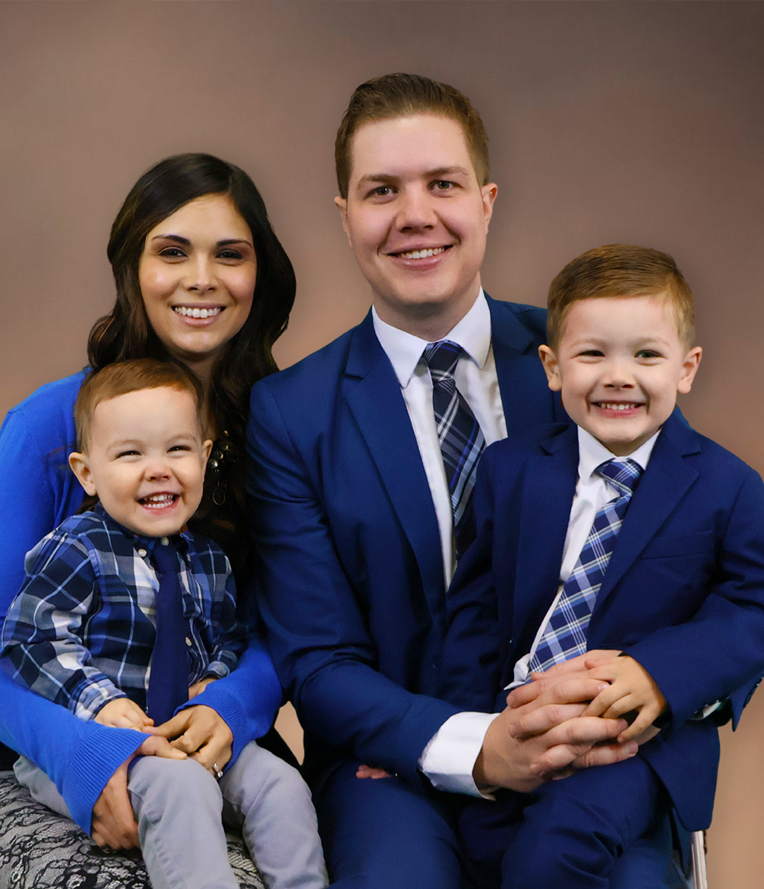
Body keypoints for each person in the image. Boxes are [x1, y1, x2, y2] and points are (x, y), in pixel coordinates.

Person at [245, 73, 642, 888]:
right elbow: (318, 660)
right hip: (390, 774)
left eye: (443, 184)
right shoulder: (291, 415)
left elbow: (708, 535)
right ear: (346, 215)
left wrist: (661, 688)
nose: (415, 215)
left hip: (593, 752)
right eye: (382, 190)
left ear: (487, 201)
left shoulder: (592, 360)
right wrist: (478, 747)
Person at [0, 153, 293, 854]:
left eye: (229, 254)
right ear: (130, 269)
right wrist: (86, 755)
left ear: (258, 272)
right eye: (172, 252)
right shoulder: (49, 425)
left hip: (211, 731)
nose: (201, 278)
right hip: (34, 742)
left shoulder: (284, 430)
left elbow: (282, 624)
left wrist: (231, 704)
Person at [440, 243, 764, 889]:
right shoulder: (511, 468)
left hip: (636, 745)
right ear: (552, 367)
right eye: (593, 353)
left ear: (687, 366)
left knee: (552, 857)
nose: (619, 375)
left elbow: (753, 606)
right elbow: (474, 611)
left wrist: (660, 673)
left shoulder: (730, 487)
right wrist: (463, 722)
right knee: (477, 850)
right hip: (518, 717)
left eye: (645, 354)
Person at [0, 359, 327, 889]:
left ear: (204, 458)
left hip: (178, 731)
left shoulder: (209, 561)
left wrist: (215, 681)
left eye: (177, 449)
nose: (158, 469)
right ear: (87, 473)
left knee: (280, 784)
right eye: (130, 453)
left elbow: (228, 639)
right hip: (93, 740)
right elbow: (31, 640)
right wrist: (101, 702)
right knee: (182, 787)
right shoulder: (76, 549)